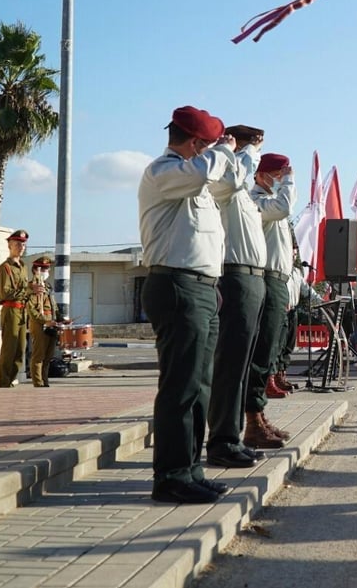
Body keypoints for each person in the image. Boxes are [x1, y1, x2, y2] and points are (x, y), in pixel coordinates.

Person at [139, 105, 237, 504]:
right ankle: (171, 476)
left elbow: (223, 185)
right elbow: (204, 172)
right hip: (177, 284)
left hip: (200, 285)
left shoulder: (192, 178)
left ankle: (191, 468)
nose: (210, 152)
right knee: (180, 385)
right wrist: (227, 150)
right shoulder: (164, 171)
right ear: (196, 143)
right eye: (207, 145)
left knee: (199, 385)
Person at [204, 125, 271, 469]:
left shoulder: (242, 190)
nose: (255, 159)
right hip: (234, 275)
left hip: (253, 277)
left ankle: (234, 434)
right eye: (250, 151)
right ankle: (222, 440)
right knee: (230, 365)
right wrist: (242, 152)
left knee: (241, 365)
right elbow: (229, 180)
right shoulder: (225, 184)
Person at [247, 153, 299, 430]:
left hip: (278, 278)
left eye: (282, 175)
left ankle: (258, 413)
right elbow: (284, 207)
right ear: (260, 174)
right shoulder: (255, 200)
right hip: (265, 278)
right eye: (277, 174)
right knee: (262, 348)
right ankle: (253, 415)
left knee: (271, 347)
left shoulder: (273, 202)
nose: (280, 179)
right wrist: (290, 181)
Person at [0, 229, 31, 388]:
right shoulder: (5, 268)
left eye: (23, 244)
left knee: (20, 351)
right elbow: (5, 293)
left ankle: (9, 381)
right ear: (9, 245)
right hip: (11, 310)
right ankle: (3, 384)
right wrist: (28, 290)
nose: (21, 247)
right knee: (9, 350)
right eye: (17, 243)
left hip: (22, 311)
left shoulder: (22, 266)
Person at [26, 254, 58, 388]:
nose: (47, 272)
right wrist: (45, 321)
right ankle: (38, 383)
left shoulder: (47, 286)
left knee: (48, 356)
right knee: (38, 355)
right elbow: (31, 309)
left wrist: (60, 319)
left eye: (48, 269)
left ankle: (45, 381)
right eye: (44, 270)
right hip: (39, 324)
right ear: (35, 271)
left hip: (51, 322)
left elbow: (53, 305)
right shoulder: (33, 287)